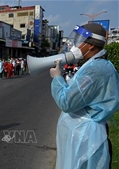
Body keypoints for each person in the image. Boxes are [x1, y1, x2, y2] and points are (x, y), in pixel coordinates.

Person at [49, 23, 119, 169]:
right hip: (84, 135)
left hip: (87, 140)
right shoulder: (95, 65)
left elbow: (66, 102)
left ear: (91, 46)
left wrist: (57, 79)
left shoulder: (95, 70)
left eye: (79, 41)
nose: (76, 45)